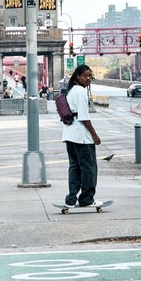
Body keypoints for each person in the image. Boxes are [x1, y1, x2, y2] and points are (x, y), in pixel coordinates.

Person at [61, 64, 102, 209]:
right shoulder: (80, 92)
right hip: (82, 137)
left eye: (89, 76)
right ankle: (87, 199)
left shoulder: (71, 91)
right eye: (85, 75)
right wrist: (95, 135)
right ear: (77, 76)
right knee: (89, 168)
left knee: (75, 168)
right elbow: (84, 117)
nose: (88, 78)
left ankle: (71, 199)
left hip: (69, 135)